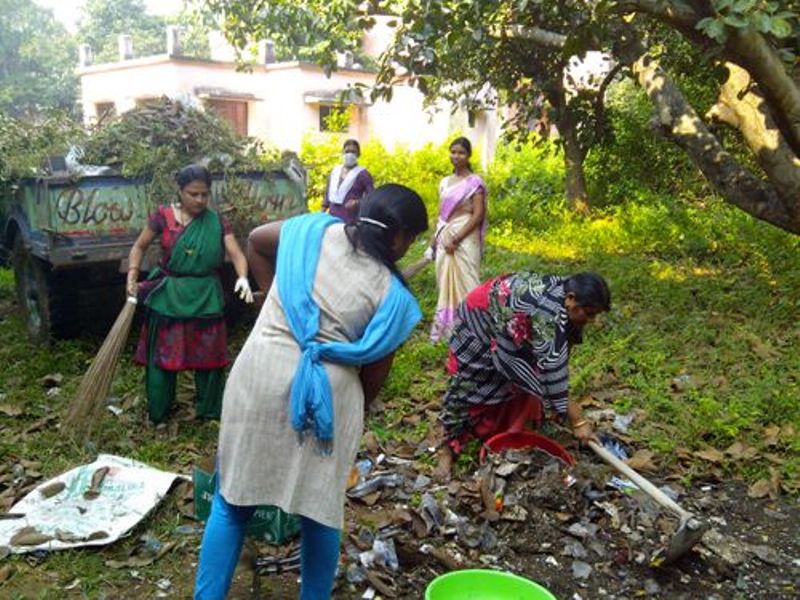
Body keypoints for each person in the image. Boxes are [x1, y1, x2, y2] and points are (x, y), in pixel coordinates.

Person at [194, 184, 429, 599]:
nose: (408, 248)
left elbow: (257, 241)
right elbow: (373, 374)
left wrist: (273, 298)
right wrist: (353, 411)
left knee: (231, 502)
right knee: (320, 514)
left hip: (259, 370)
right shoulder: (394, 296)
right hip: (330, 394)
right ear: (398, 236)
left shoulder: (311, 231)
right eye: (411, 239)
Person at [435, 271, 610, 479]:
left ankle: (509, 432)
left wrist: (559, 400)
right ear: (570, 298)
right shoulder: (546, 314)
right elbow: (550, 373)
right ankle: (446, 451)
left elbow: (560, 350)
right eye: (589, 314)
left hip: (511, 324)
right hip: (479, 323)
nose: (591, 321)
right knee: (467, 387)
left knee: (522, 378)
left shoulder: (563, 297)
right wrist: (578, 422)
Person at [126, 164, 253, 424]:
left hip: (206, 294)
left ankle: (209, 412)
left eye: (205, 194)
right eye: (193, 194)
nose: (200, 200)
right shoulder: (162, 217)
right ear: (180, 191)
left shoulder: (217, 222)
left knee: (210, 357)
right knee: (162, 356)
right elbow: (139, 246)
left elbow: (237, 253)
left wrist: (242, 277)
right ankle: (160, 413)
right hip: (169, 295)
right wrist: (132, 273)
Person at [429, 136, 487, 342]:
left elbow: (478, 214)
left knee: (468, 280)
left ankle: (474, 329)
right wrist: (434, 241)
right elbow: (441, 215)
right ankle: (448, 331)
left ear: (468, 155)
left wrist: (457, 238)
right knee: (444, 282)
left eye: (461, 152)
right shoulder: (445, 182)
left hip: (465, 237)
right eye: (453, 152)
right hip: (445, 236)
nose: (456, 156)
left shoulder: (474, 183)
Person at [321, 138, 374, 224]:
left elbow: (372, 197)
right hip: (331, 220)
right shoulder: (334, 172)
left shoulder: (363, 174)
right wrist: (321, 212)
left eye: (353, 152)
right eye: (347, 151)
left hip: (351, 221)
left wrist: (358, 202)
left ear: (358, 154)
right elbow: (327, 194)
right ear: (343, 153)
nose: (350, 154)